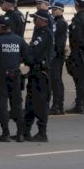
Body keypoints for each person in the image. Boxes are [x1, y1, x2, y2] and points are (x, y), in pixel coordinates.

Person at [0, 14, 29, 142]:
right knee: (17, 104)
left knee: (2, 104)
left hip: (1, 74)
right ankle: (20, 133)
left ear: (1, 27)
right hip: (15, 74)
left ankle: (6, 133)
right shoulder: (19, 39)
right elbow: (28, 58)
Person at [23, 10, 54, 142]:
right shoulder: (38, 32)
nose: (34, 21)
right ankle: (25, 131)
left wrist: (24, 54)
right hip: (34, 72)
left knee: (40, 103)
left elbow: (33, 52)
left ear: (44, 21)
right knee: (30, 103)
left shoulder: (44, 34)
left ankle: (42, 132)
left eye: (36, 19)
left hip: (41, 73)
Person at [49, 3, 68, 115]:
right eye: (52, 9)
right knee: (54, 80)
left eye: (55, 9)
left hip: (57, 56)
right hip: (55, 54)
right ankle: (57, 104)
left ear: (61, 10)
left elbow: (59, 42)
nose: (53, 11)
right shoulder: (55, 22)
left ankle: (58, 104)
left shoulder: (60, 23)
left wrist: (55, 53)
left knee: (56, 80)